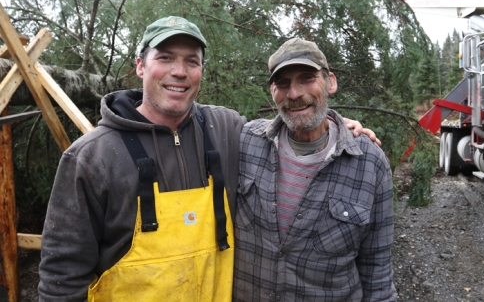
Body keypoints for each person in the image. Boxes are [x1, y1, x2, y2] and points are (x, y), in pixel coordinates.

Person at [38, 17, 377, 301]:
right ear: (140, 66)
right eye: (166, 57)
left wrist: (337, 127)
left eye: (191, 61)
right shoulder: (90, 157)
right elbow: (61, 277)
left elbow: (292, 124)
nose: (179, 71)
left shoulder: (227, 129)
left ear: (201, 70)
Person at [233, 38, 397, 301]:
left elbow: (377, 270)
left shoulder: (369, 162)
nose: (294, 93)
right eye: (282, 83)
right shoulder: (244, 142)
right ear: (273, 91)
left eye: (307, 78)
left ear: (330, 82)